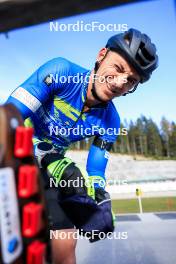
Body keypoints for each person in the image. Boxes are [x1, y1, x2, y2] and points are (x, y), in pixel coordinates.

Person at [6, 28, 158, 264]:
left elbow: (96, 170)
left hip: (50, 171)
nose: (120, 83)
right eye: (118, 69)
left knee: (65, 242)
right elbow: (8, 119)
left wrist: (99, 193)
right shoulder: (61, 71)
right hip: (13, 156)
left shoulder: (111, 121)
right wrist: (45, 155)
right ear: (101, 55)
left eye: (131, 81)